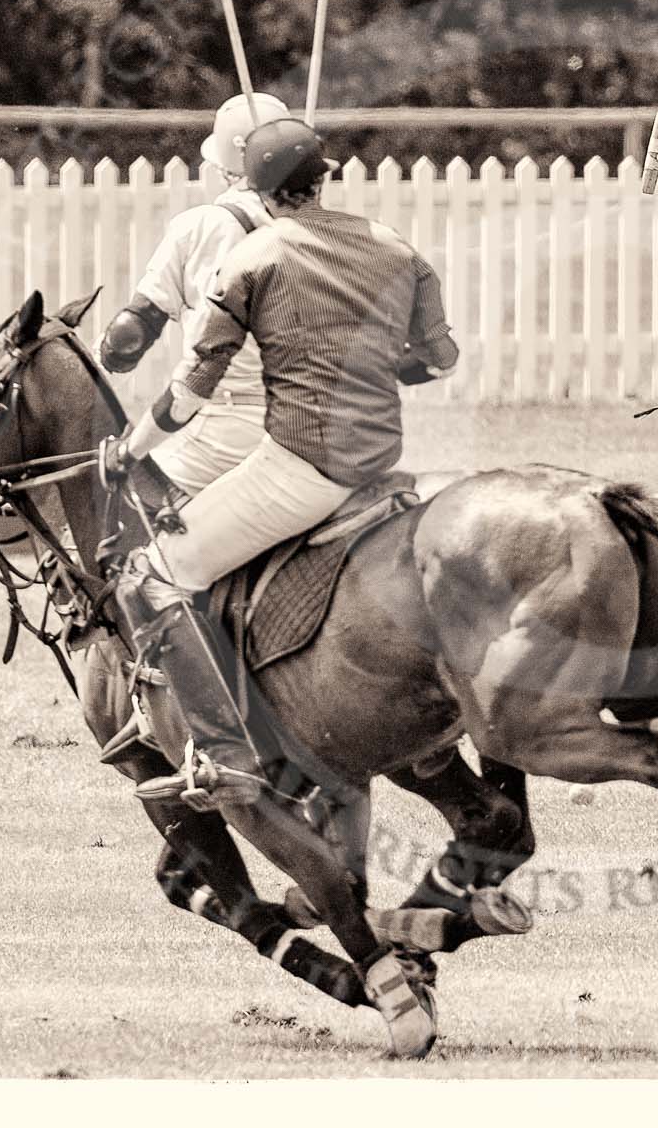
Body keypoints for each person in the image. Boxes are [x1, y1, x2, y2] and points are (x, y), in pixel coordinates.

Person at [99, 117, 460, 811]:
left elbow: (189, 389)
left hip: (301, 465)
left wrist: (128, 449)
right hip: (382, 458)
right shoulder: (393, 246)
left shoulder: (252, 258)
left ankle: (221, 753)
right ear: (323, 178)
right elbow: (440, 359)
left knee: (153, 574)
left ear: (255, 188)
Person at [97, 92, 292, 495]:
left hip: (226, 427)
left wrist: (107, 356)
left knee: (123, 504)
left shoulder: (200, 226)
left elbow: (131, 334)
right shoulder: (317, 229)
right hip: (308, 426)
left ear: (226, 168)